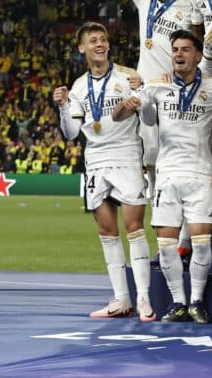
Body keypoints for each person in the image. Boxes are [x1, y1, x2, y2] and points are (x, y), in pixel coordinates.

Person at [68, 0, 196, 208]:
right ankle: (166, 249)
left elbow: (201, 51)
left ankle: (190, 242)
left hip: (179, 97)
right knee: (153, 173)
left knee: (181, 171)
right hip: (145, 97)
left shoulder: (191, 5)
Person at [113, 30, 212, 324]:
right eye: (175, 49)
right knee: (165, 244)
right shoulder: (156, 86)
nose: (178, 54)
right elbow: (131, 117)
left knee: (201, 242)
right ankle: (178, 302)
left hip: (200, 173)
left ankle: (197, 301)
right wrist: (130, 106)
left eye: (185, 49)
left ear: (198, 56)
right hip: (166, 174)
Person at [53, 22, 154, 321]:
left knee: (134, 227)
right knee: (107, 232)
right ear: (81, 48)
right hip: (95, 159)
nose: (99, 44)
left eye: (103, 39)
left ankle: (144, 299)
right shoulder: (79, 87)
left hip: (126, 154)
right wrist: (62, 106)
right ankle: (121, 299)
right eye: (92, 40)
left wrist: (141, 93)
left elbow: (148, 115)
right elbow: (72, 133)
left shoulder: (129, 77)